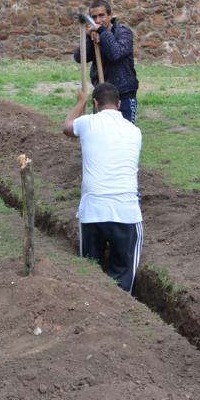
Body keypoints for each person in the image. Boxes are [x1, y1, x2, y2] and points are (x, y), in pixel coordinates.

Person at [63, 82, 143, 293]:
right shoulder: (134, 131)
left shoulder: (87, 123)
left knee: (90, 274)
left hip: (92, 212)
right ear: (119, 104)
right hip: (126, 213)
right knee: (123, 279)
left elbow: (67, 126)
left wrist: (80, 102)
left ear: (96, 104)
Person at [72, 0, 139, 124]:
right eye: (94, 17)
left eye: (101, 15)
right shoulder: (93, 35)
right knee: (102, 133)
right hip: (102, 96)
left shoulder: (123, 33)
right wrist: (88, 37)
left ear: (110, 15)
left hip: (123, 94)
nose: (97, 21)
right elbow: (79, 58)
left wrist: (103, 33)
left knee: (123, 134)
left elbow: (115, 53)